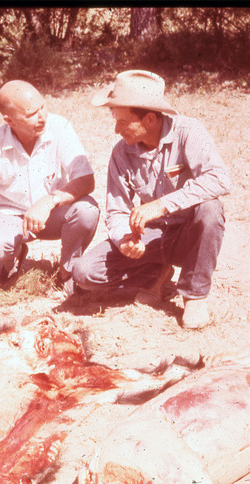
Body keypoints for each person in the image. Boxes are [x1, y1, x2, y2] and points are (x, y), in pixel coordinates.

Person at [73, 70, 231, 329]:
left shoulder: (188, 132)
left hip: (187, 236)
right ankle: (155, 274)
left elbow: (220, 179)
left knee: (211, 209)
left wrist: (162, 204)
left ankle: (195, 295)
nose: (116, 129)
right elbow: (117, 211)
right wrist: (125, 240)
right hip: (152, 238)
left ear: (149, 119)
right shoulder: (121, 153)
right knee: (84, 272)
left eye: (123, 122)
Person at [0, 80, 99, 302]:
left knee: (87, 209)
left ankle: (67, 272)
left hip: (52, 213)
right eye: (31, 114)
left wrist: (48, 202)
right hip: (12, 217)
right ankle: (13, 260)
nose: (42, 117)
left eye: (43, 107)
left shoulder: (61, 128)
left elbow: (86, 180)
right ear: (9, 121)